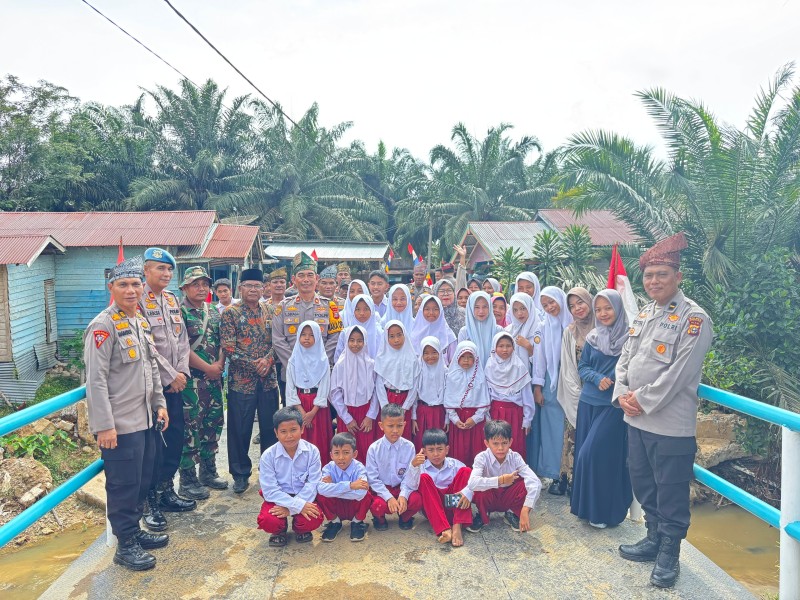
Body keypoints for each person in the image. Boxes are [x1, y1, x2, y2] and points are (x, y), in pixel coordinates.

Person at [614, 233, 713, 588]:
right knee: (642, 480)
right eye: (649, 275)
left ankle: (670, 555)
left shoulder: (694, 319)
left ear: (678, 277)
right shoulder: (644, 312)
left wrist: (640, 399)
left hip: (669, 424)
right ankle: (653, 539)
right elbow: (625, 357)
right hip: (636, 419)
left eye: (661, 274)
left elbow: (681, 372)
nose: (653, 281)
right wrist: (623, 393)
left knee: (670, 490)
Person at [84, 256, 169, 571]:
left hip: (145, 419)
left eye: (136, 284)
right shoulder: (102, 326)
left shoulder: (140, 320)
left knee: (142, 480)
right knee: (123, 485)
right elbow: (95, 380)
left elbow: (152, 367)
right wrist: (105, 426)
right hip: (119, 426)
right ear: (112, 288)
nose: (131, 290)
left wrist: (159, 403)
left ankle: (134, 532)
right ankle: (125, 546)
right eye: (124, 284)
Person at [139, 247, 194, 527]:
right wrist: (170, 375)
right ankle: (150, 503)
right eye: (160, 269)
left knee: (173, 440)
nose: (166, 273)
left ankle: (166, 491)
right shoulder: (137, 300)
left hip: (176, 385)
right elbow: (147, 347)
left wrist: (181, 372)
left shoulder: (172, 300)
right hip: (152, 390)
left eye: (169, 269)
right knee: (154, 448)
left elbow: (181, 340)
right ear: (146, 271)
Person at [570, 290, 632, 528]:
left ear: (618, 308)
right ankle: (587, 509)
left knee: (597, 456)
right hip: (588, 403)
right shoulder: (594, 338)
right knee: (585, 456)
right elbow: (583, 367)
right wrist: (597, 377)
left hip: (613, 406)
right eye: (599, 309)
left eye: (608, 308)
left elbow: (633, 371)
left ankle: (605, 512)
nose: (603, 314)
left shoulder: (630, 340)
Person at [220, 267, 278, 494]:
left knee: (269, 429)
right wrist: (256, 364)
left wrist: (269, 360)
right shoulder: (230, 313)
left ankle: (271, 472)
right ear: (240, 288)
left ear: (263, 288)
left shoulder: (271, 310)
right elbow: (228, 347)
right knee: (239, 430)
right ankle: (240, 473)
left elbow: (280, 341)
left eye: (257, 286)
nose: (253, 290)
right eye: (249, 286)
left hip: (269, 381)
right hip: (241, 383)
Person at [177, 266, 227, 502]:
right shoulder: (179, 313)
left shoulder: (214, 312)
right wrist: (208, 368)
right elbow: (180, 349)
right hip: (191, 384)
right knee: (190, 430)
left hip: (214, 382)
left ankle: (208, 472)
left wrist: (218, 365)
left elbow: (222, 342)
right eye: (195, 284)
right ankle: (187, 481)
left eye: (204, 284)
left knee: (213, 425)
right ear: (185, 288)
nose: (201, 288)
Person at [257, 407, 323, 547]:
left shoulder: (312, 451)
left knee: (313, 517)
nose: (289, 436)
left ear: (302, 429)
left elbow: (313, 484)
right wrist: (296, 506)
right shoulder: (268, 456)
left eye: (293, 430)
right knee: (269, 521)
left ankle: (300, 528)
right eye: (283, 432)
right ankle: (279, 530)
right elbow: (270, 491)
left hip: (304, 496)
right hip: (278, 498)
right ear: (276, 433)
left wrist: (291, 509)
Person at [529, 286, 572, 494]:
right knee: (553, 431)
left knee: (573, 430)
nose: (549, 307)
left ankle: (573, 475)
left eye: (552, 302)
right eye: (544, 305)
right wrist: (538, 388)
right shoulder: (543, 327)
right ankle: (556, 475)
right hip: (551, 383)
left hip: (574, 382)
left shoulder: (574, 324)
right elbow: (539, 360)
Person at [466, 420, 542, 533]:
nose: (500, 448)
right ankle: (482, 514)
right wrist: (500, 480)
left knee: (527, 484)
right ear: (487, 443)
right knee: (477, 487)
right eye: (495, 443)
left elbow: (535, 481)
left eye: (504, 443)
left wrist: (526, 508)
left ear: (510, 442)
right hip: (489, 496)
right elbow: (472, 483)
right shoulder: (481, 457)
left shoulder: (515, 457)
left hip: (508, 496)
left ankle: (512, 512)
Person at [272, 252, 342, 374]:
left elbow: (335, 337)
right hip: (291, 371)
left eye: (310, 275)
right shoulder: (283, 307)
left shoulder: (329, 306)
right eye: (301, 275)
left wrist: (320, 362)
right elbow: (278, 340)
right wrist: (295, 363)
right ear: (294, 279)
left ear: (317, 278)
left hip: (322, 371)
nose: (306, 280)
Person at [556, 287, 595, 496]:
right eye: (572, 306)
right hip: (577, 392)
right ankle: (572, 480)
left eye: (580, 302)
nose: (577, 308)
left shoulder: (604, 329)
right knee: (573, 435)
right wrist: (578, 395)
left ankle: (592, 481)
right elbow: (569, 368)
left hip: (601, 393)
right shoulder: (569, 332)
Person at [405, 429, 472, 546]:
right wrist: (413, 466)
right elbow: (410, 486)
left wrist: (468, 494)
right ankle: (444, 528)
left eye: (440, 449)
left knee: (466, 471)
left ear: (447, 450)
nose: (436, 454)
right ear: (424, 452)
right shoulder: (421, 467)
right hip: (433, 508)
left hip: (453, 506)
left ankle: (457, 526)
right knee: (424, 478)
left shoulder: (455, 465)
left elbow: (471, 484)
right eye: (431, 450)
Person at [366, 403, 422, 531]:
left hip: (401, 486)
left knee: (416, 500)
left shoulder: (409, 447)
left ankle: (405, 517)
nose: (395, 430)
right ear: (381, 426)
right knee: (377, 505)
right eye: (390, 426)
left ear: (405, 425)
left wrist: (403, 495)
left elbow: (409, 475)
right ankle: (379, 519)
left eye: (399, 425)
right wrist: (389, 497)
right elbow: (373, 479)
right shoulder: (374, 449)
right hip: (382, 489)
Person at [329, 326, 380, 460]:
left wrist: (370, 416)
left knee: (367, 450)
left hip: (366, 415)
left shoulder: (371, 365)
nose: (355, 344)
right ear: (346, 341)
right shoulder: (340, 365)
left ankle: (367, 480)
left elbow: (376, 392)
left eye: (359, 340)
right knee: (346, 450)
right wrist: (346, 418)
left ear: (365, 342)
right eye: (351, 340)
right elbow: (334, 393)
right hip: (347, 413)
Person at [285, 321, 333, 457]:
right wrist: (302, 412)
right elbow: (290, 387)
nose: (306, 338)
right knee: (300, 440)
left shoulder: (323, 361)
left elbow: (325, 386)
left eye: (311, 335)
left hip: (317, 407)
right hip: (299, 405)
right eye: (303, 334)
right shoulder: (293, 361)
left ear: (317, 337)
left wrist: (312, 412)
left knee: (320, 440)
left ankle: (320, 473)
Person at [486, 332, 534, 460]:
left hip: (515, 414)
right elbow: (486, 394)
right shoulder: (490, 366)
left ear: (514, 347)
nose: (505, 349)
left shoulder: (519, 367)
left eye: (508, 345)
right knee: (495, 445)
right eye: (500, 346)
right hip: (495, 414)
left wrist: (527, 419)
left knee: (514, 445)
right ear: (494, 348)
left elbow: (527, 395)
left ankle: (515, 476)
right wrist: (487, 416)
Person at [316, 432, 372, 542]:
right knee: (320, 496)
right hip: (337, 506)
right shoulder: (328, 468)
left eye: (346, 452)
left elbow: (361, 493)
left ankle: (357, 522)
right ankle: (335, 522)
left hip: (354, 506)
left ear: (354, 454)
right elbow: (321, 489)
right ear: (331, 455)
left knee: (367, 495)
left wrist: (333, 487)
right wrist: (350, 485)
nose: (341, 457)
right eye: (336, 453)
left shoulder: (359, 468)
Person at [444, 341, 490, 466]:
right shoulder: (451, 376)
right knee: (459, 453)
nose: (466, 360)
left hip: (475, 422)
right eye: (463, 356)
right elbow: (448, 400)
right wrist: (454, 419)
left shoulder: (480, 377)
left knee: (476, 452)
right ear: (457, 357)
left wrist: (475, 419)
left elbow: (484, 402)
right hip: (458, 421)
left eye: (470, 357)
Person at [374, 321, 419, 441]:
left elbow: (414, 386)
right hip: (388, 399)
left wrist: (405, 408)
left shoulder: (412, 359)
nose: (396, 340)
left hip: (405, 401)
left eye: (399, 335)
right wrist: (385, 406)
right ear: (386, 338)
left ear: (405, 334)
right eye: (392, 336)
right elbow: (379, 385)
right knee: (388, 433)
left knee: (403, 434)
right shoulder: (382, 358)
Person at [413, 336, 447, 451]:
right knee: (422, 443)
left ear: (440, 352)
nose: (430, 356)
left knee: (438, 444)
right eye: (426, 353)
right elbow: (414, 395)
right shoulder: (419, 369)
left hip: (439, 412)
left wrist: (447, 418)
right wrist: (413, 417)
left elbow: (448, 396)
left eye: (434, 352)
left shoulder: (445, 371)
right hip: (422, 412)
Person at [261, 267, 288, 407]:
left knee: (286, 393)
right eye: (275, 282)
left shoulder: (291, 304)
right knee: (268, 395)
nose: (279, 285)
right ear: (268, 286)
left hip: (286, 356)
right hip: (268, 357)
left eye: (282, 282)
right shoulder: (262, 307)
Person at [457, 291, 501, 368]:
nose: (481, 311)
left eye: (485, 307)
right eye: (476, 307)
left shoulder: (498, 331)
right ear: (470, 308)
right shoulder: (464, 332)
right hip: (472, 376)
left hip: (495, 376)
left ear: (490, 308)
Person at [334, 294, 383, 361]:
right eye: (357, 309)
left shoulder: (380, 333)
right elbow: (338, 357)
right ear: (353, 311)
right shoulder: (346, 333)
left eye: (366, 309)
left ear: (372, 310)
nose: (362, 313)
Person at [410, 295, 457, 363]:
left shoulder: (449, 336)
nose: (431, 313)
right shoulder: (414, 335)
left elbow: (454, 363)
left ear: (441, 311)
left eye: (435, 309)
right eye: (427, 309)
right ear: (421, 311)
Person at [506, 292, 538, 369]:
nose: (519, 313)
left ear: (529, 307)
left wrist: (528, 346)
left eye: (523, 308)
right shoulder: (508, 331)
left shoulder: (539, 329)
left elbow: (543, 361)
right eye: (515, 310)